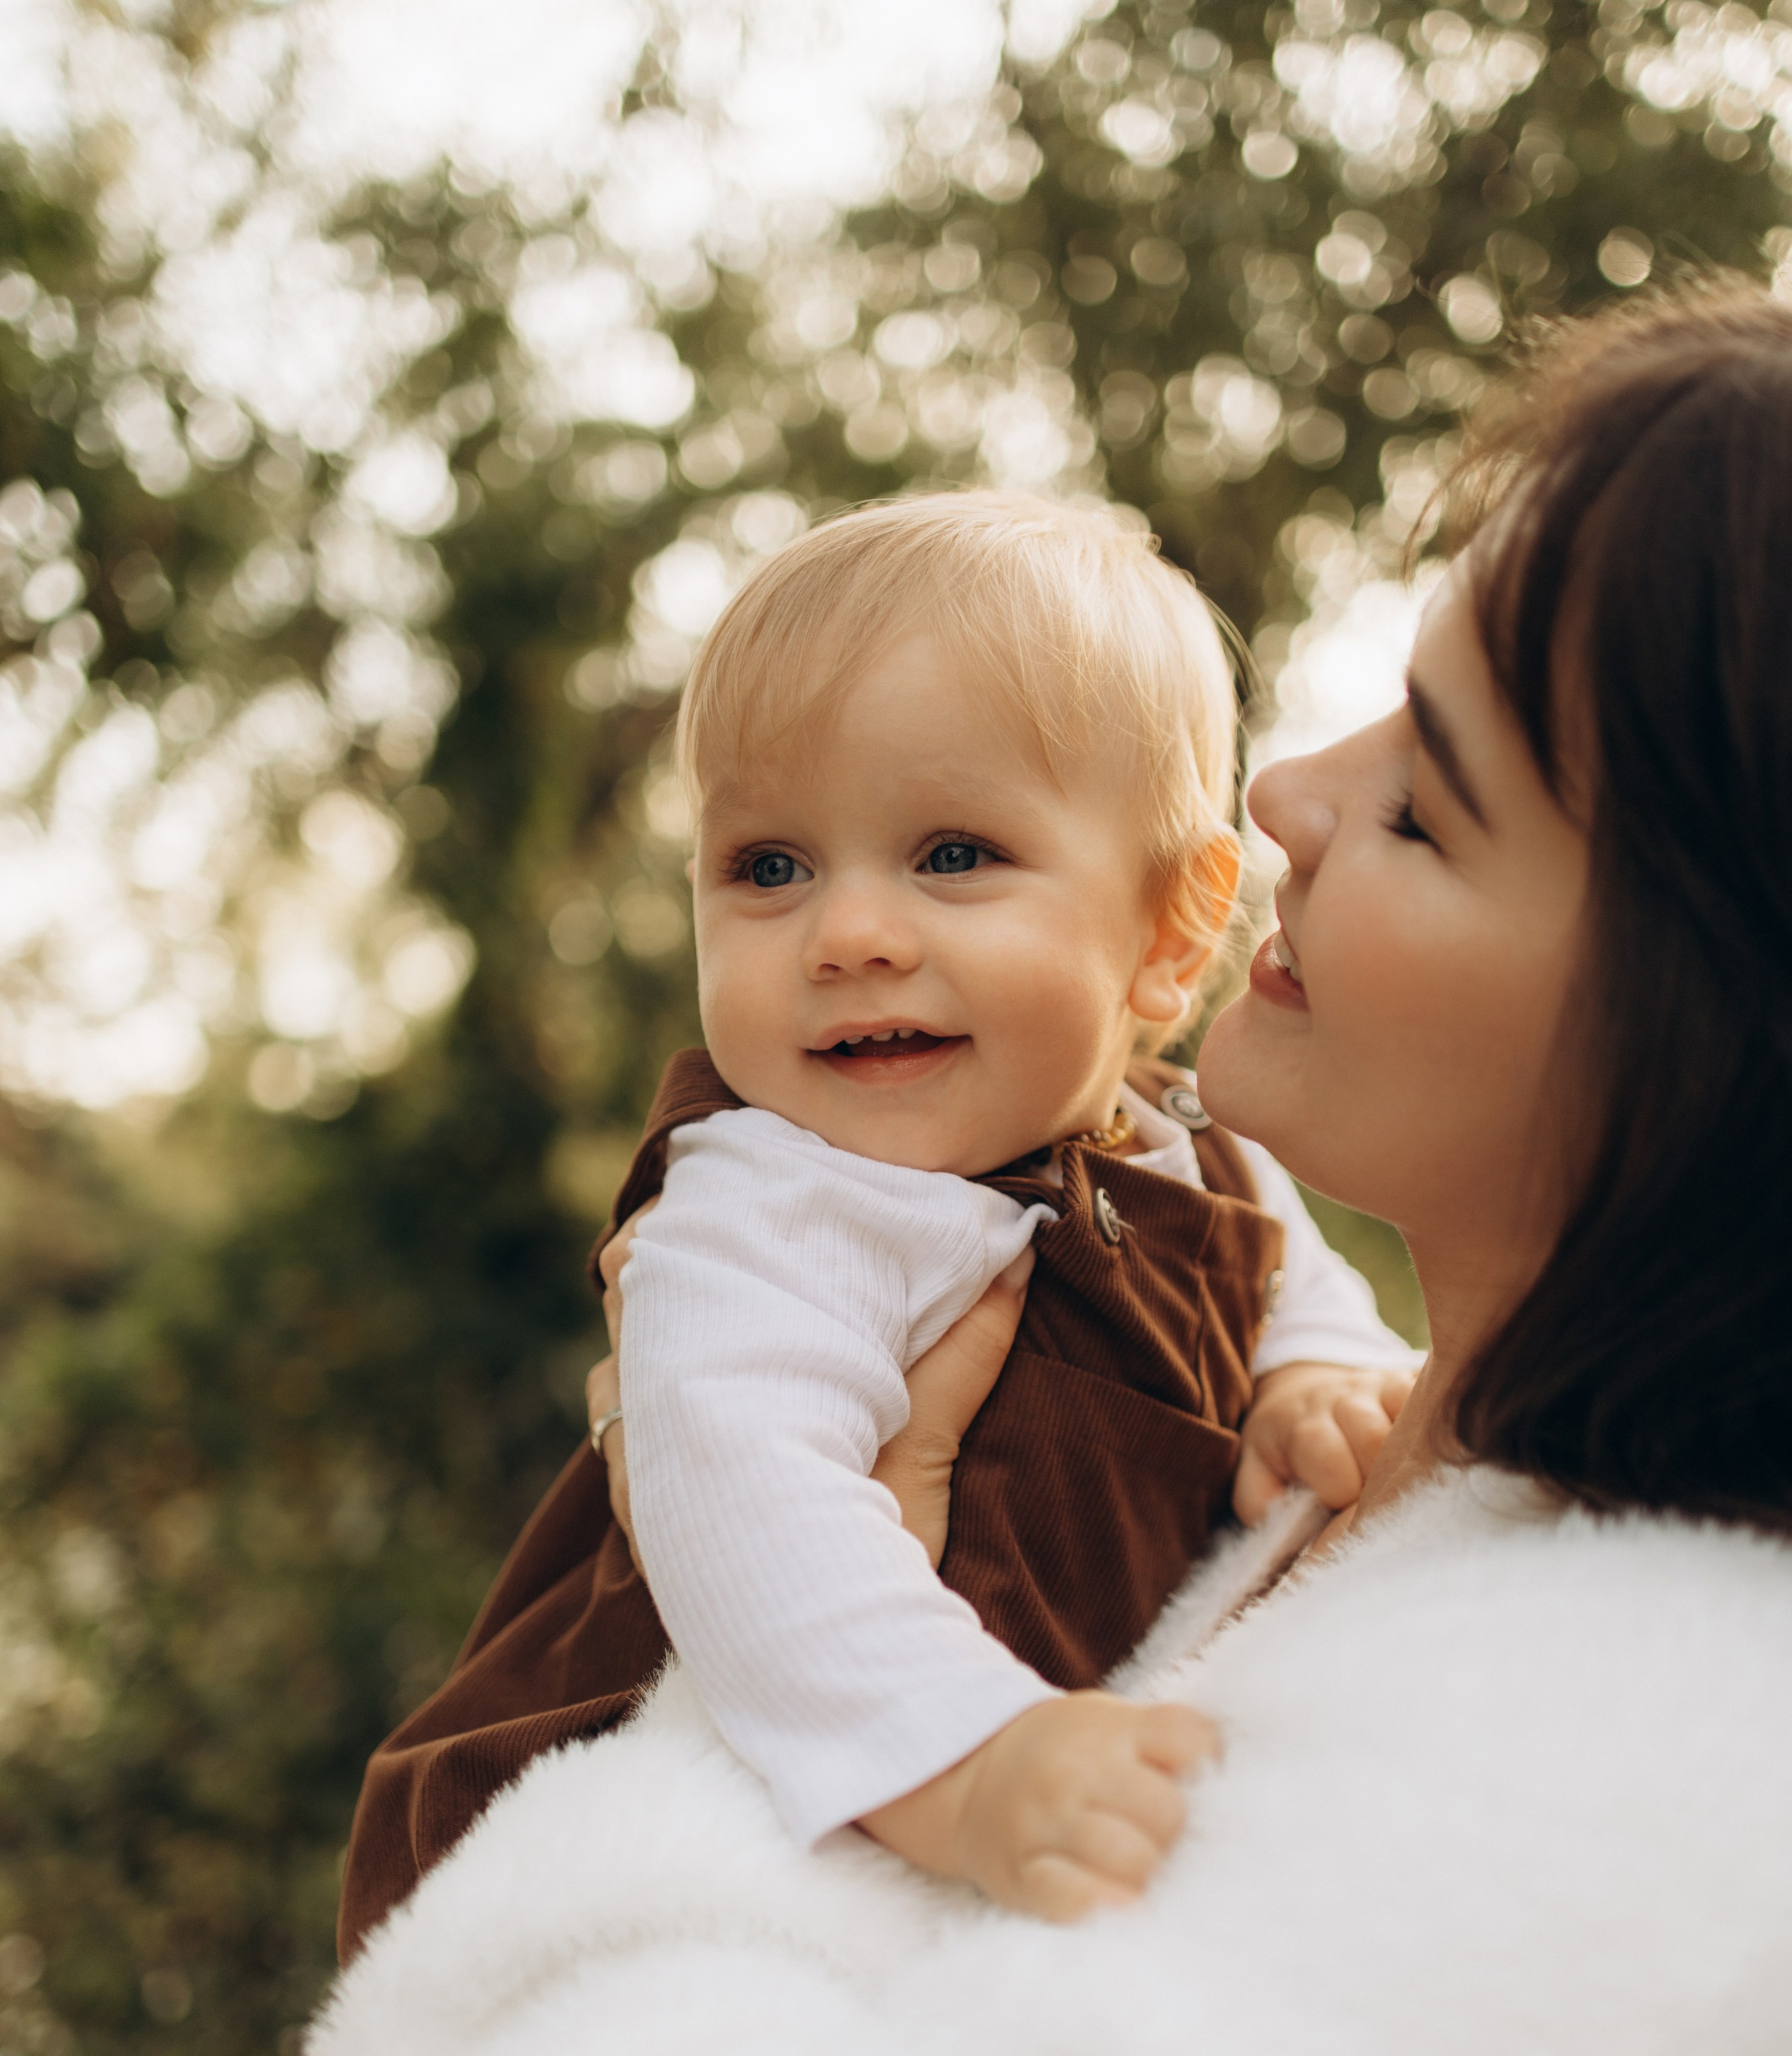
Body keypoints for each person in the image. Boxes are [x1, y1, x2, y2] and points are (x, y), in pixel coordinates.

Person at [265, 281, 1792, 2056]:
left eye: (1426, 797)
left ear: (1723, 1031)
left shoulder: (1675, 1757)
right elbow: (782, 1505)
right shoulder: (800, 1218)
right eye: (763, 868)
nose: (1288, 796)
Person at [335, 493, 1414, 1948]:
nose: (847, 935)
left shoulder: (1196, 1148)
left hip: (979, 1803)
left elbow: (1287, 1281)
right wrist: (967, 1765)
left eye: (952, 854)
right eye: (767, 869)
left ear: (1168, 932)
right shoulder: (774, 1197)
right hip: (619, 1811)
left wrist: (1311, 1377)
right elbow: (745, 1499)